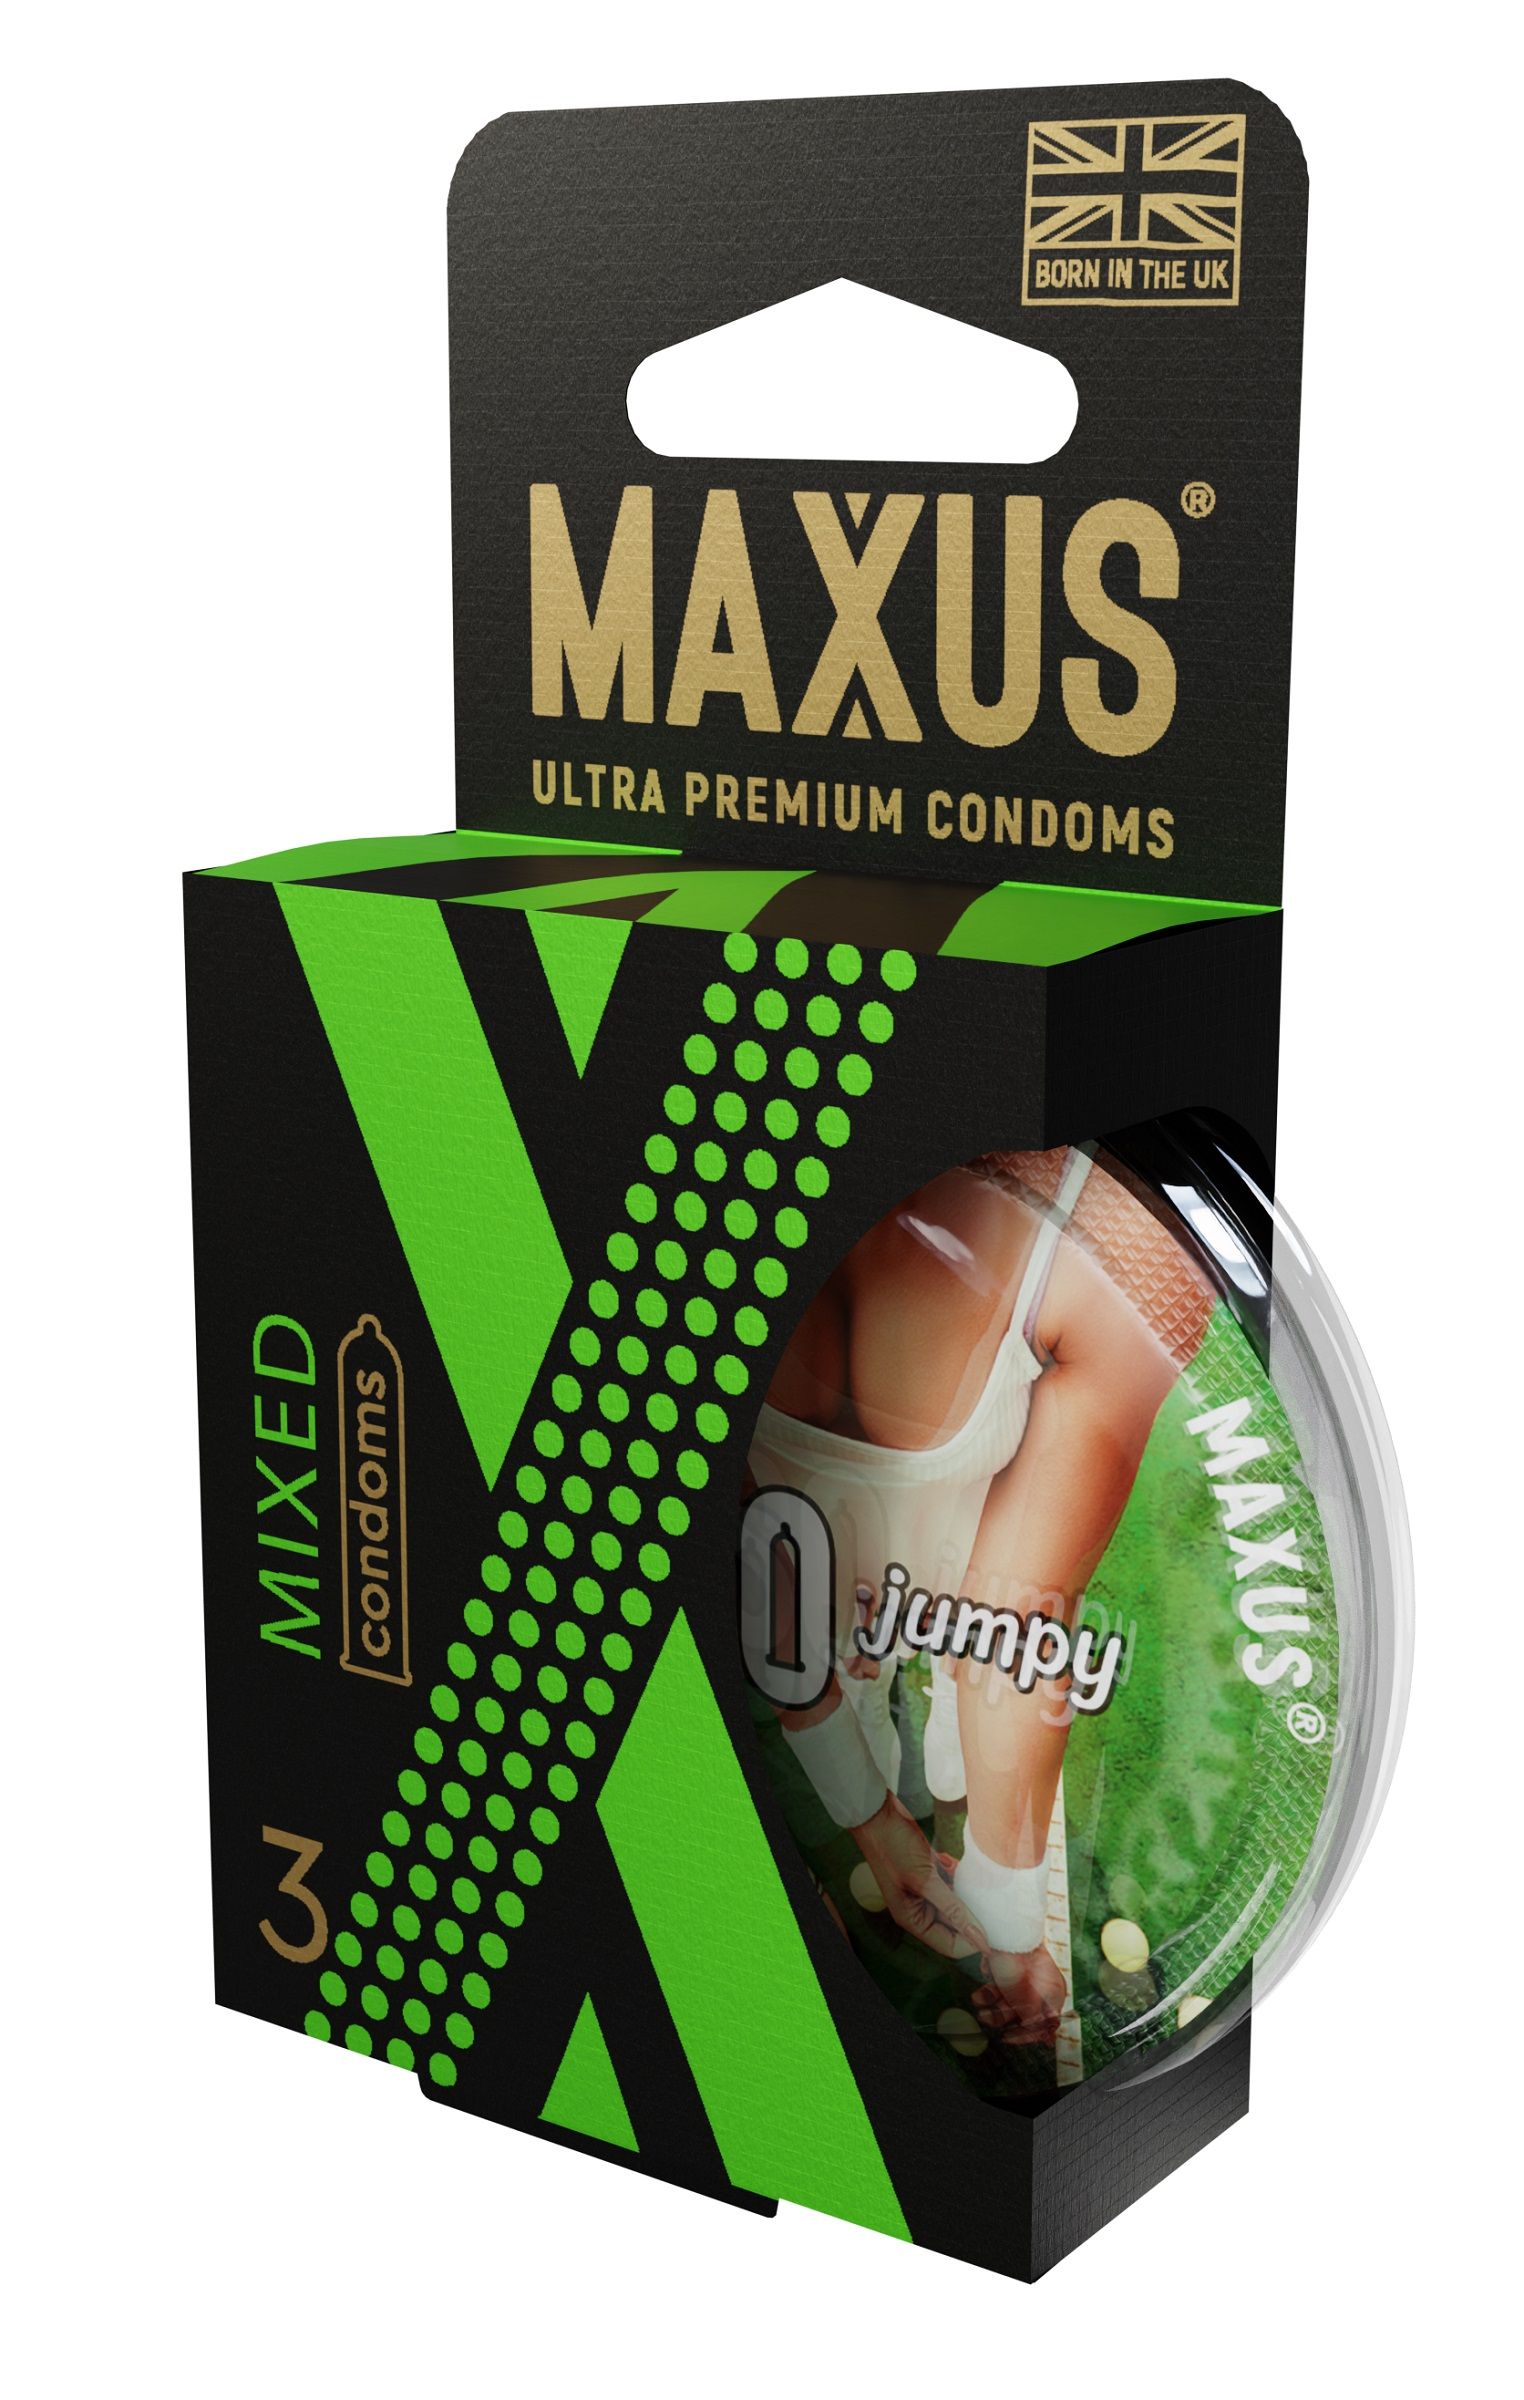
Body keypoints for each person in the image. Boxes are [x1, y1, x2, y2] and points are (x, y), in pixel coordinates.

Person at [749, 1149, 1178, 2044]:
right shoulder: (1129, 1242)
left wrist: (869, 1817)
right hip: (881, 1607)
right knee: (947, 1625)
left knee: (891, 1651)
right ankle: (920, 1695)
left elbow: (757, 1550)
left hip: (818, 1609)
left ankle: (922, 1700)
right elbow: (1018, 1624)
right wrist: (1010, 1926)